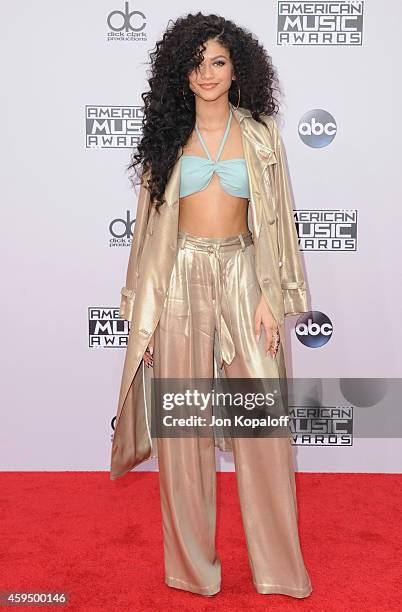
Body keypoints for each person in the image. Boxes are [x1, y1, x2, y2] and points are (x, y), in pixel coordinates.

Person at [110, 12, 312, 599]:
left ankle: (280, 570)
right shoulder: (167, 138)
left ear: (237, 68)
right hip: (178, 278)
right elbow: (147, 233)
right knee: (183, 429)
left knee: (264, 428)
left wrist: (273, 299)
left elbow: (280, 225)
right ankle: (193, 570)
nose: (207, 74)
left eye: (218, 62)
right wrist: (140, 312)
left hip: (246, 272)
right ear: (180, 71)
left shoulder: (261, 134)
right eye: (196, 64)